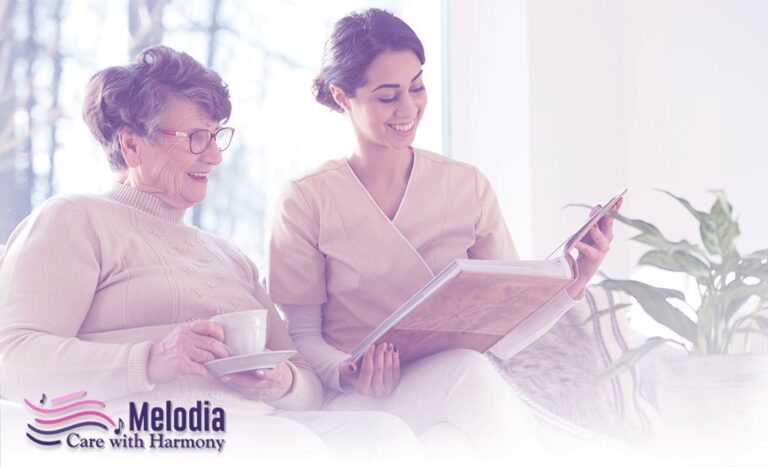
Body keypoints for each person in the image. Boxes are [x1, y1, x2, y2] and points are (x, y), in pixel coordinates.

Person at [0, 45, 421, 464]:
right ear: (132, 145)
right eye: (195, 138)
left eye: (217, 136)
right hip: (151, 431)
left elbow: (306, 382)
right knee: (292, 447)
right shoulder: (75, 218)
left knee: (386, 434)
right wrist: (150, 361)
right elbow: (12, 360)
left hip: (260, 422)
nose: (215, 155)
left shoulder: (230, 257)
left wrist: (280, 382)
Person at [267, 8, 621, 461]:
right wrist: (350, 372)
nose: (409, 108)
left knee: (449, 446)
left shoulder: (466, 185)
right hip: (359, 401)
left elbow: (507, 329)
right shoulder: (305, 199)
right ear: (342, 95)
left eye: (416, 87)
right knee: (468, 374)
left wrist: (578, 276)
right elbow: (299, 338)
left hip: (450, 394)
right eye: (387, 96)